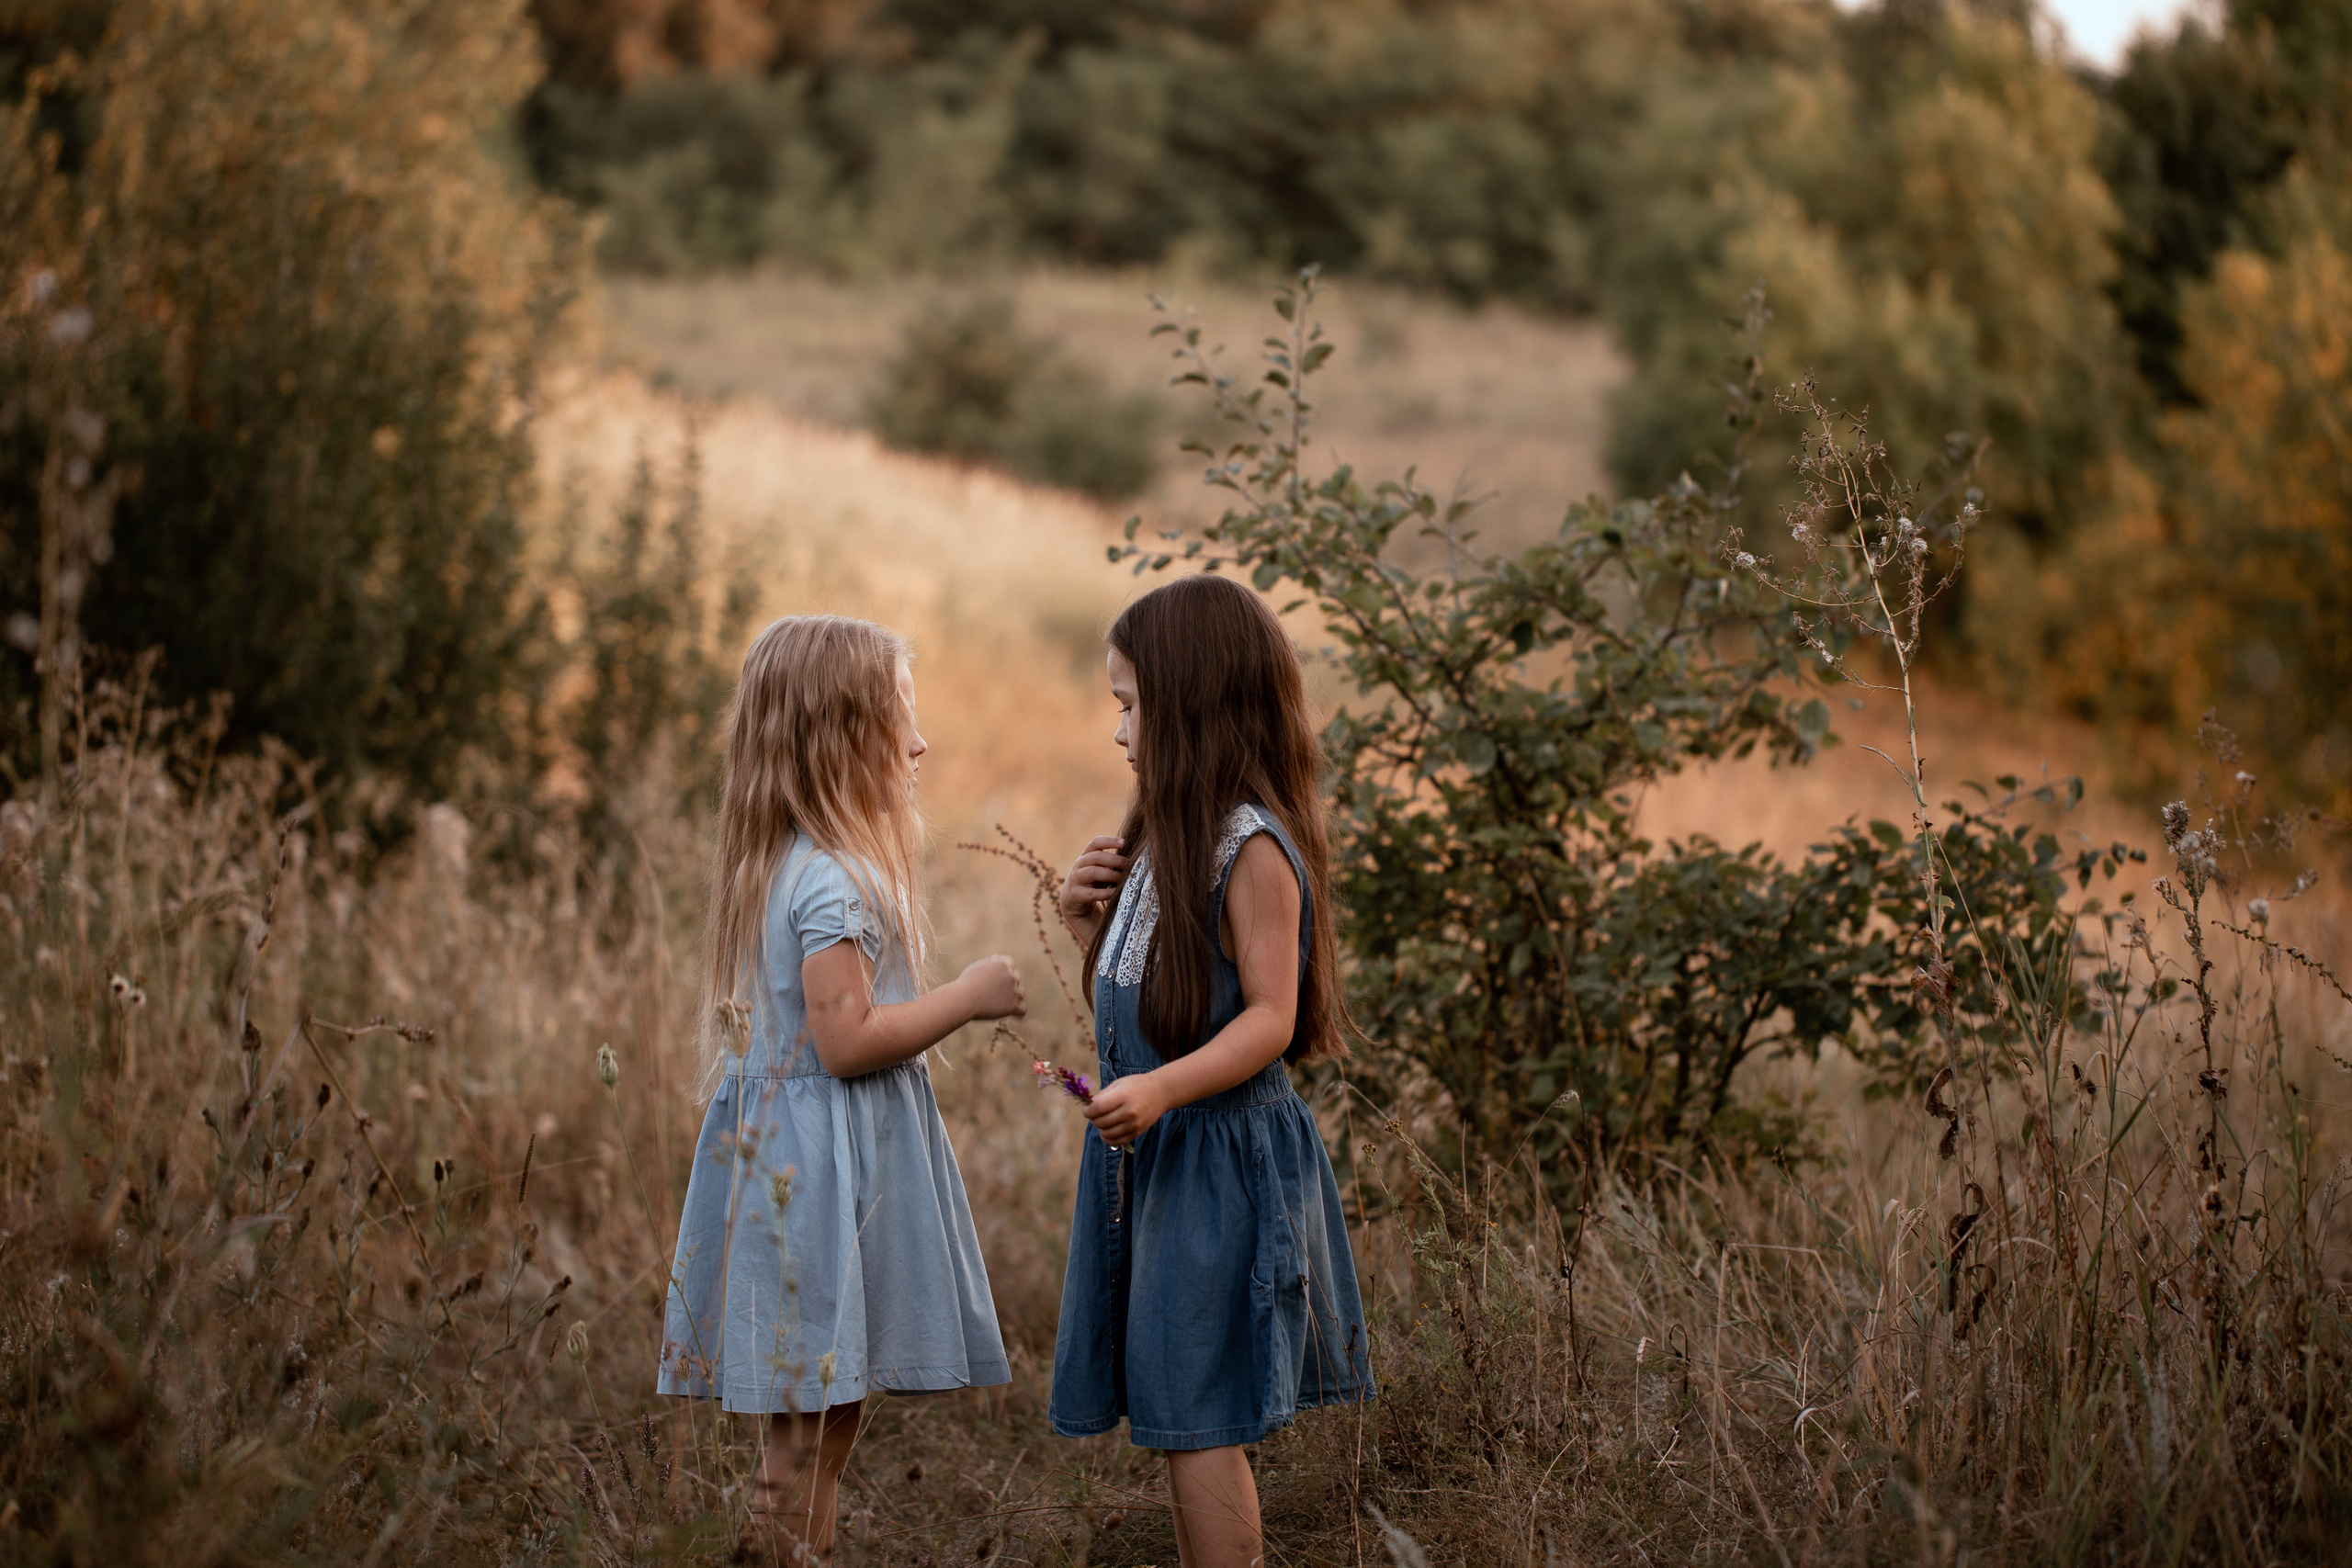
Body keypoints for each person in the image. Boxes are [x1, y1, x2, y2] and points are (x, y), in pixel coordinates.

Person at [659, 615, 1023, 1563]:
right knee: (806, 1428)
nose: (920, 742)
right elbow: (846, 1040)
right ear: (839, 735)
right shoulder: (830, 883)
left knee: (821, 1421)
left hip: (807, 1157)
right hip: (810, 1179)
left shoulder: (789, 868)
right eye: (901, 718)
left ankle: (796, 1553)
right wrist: (965, 998)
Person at [1051, 573, 1373, 1568]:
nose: (1120, 733)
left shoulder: (1251, 849)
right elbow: (1156, 1003)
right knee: (1173, 1399)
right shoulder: (1160, 839)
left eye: (1130, 704)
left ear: (1188, 703)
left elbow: (1270, 1020)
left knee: (1197, 1414)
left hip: (1220, 1163)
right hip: (1164, 1157)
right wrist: (1088, 929)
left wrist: (1158, 1090)